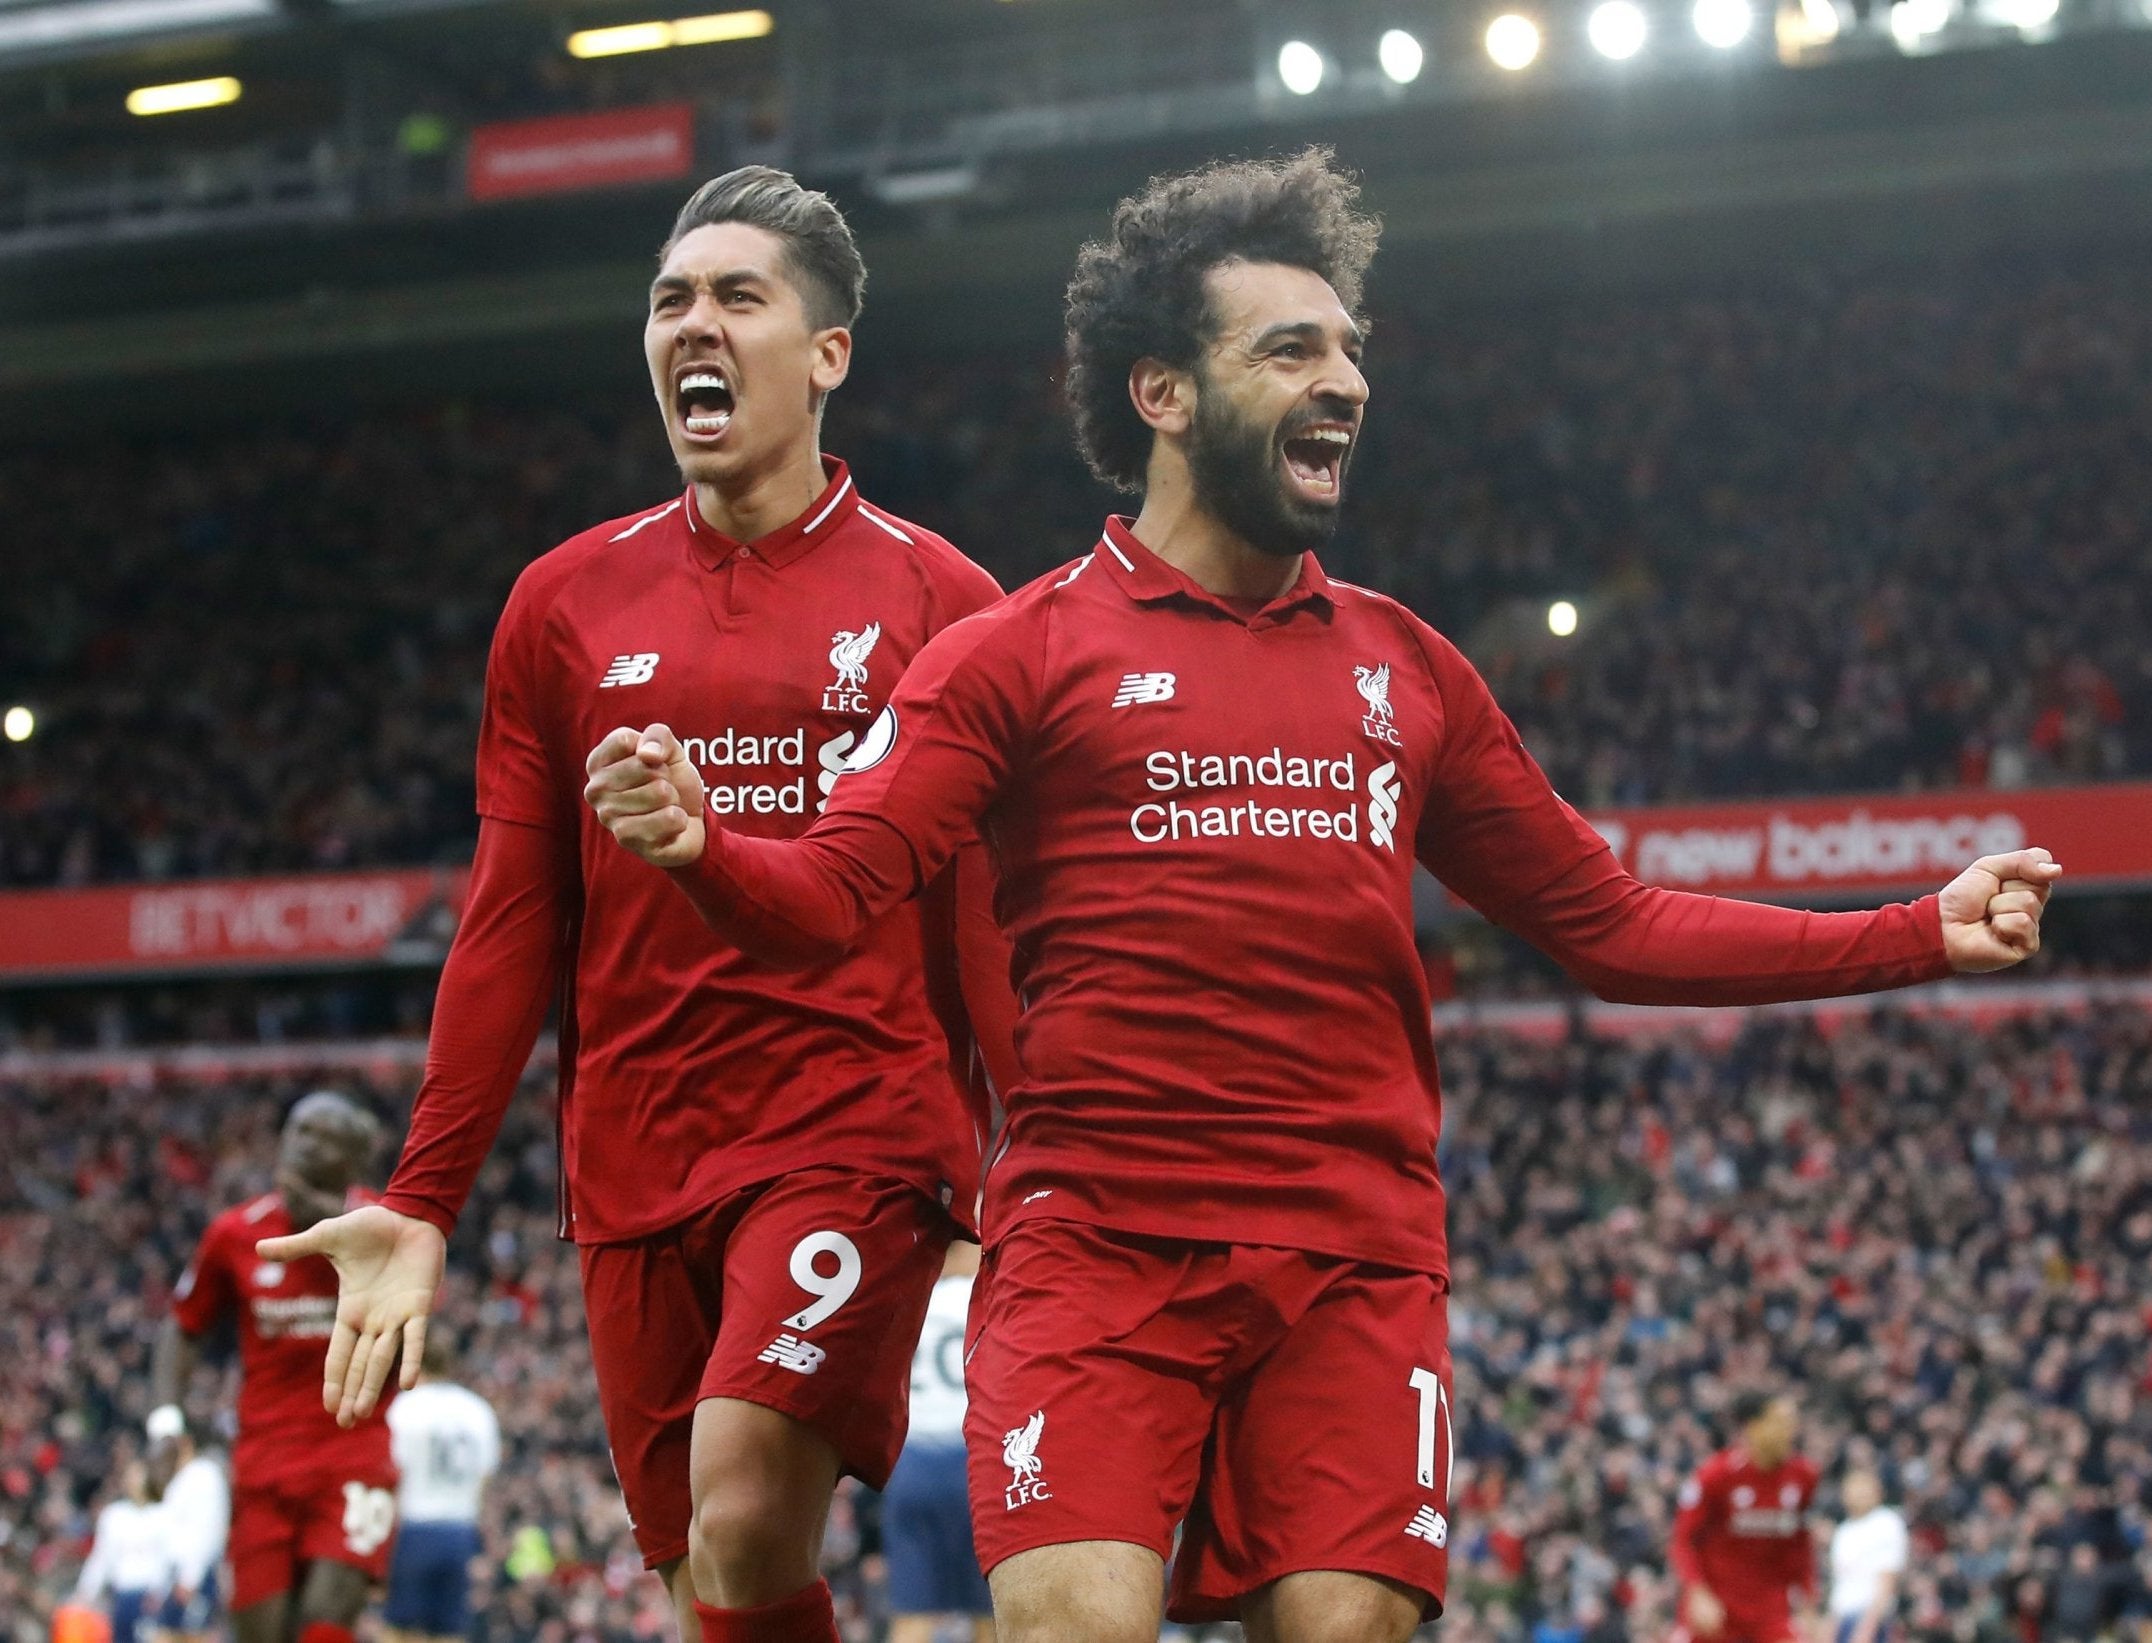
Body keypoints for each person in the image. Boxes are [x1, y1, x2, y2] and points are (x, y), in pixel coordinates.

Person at [581, 149, 2061, 1643]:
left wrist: (1912, 930)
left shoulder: (1404, 667)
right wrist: (705, 847)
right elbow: (832, 893)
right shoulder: (1015, 655)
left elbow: (1608, 922)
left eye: (1349, 347)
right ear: (1161, 393)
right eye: (1290, 348)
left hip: (1353, 1262)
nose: (1342, 378)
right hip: (1097, 1247)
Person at [259, 166, 1017, 1643]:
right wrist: (421, 1195)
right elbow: (511, 917)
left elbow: (983, 922)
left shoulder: (944, 599)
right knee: (703, 1581)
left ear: (827, 353)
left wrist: (1033, 1159)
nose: (695, 324)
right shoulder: (561, 602)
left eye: (739, 297)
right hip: (633, 1151)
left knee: (741, 1500)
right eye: (671, 299)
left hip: (850, 1123)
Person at [151, 1091, 391, 1643]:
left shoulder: (385, 1231)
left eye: (325, 1138)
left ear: (353, 1163)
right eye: (298, 1131)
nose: (305, 1146)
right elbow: (182, 1328)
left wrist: (336, 1226)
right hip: (264, 1462)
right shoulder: (237, 1234)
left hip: (355, 1455)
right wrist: (166, 1421)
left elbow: (418, 1342)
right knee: (261, 1631)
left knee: (325, 1622)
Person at [881, 1242, 993, 1643]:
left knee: (912, 1613)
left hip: (910, 1466)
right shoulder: (983, 1300)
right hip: (973, 1465)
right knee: (990, 1612)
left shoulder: (909, 1300)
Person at [1670, 1393, 1819, 1643]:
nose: (1790, 1430)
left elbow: (1799, 1544)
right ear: (1753, 1427)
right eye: (1780, 1422)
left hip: (1770, 1609)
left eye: (1793, 1422)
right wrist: (1696, 1591)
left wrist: (1808, 1599)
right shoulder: (1715, 1475)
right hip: (1717, 1605)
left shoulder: (1803, 1476)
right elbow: (1683, 1540)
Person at [382, 1337, 501, 1643]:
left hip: (414, 1529)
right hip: (460, 1532)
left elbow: (393, 1474)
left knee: (400, 1629)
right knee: (449, 1631)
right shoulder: (477, 1410)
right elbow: (485, 1477)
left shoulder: (404, 1408)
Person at [148, 1422, 230, 1643]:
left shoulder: (203, 1475)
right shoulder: (179, 1481)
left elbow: (206, 1530)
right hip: (176, 1577)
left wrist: (191, 1577)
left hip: (195, 1576)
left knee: (196, 1636)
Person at [73, 1460, 171, 1643]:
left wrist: (160, 1590)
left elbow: (168, 1558)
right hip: (122, 1596)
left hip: (152, 1598)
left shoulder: (163, 1515)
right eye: (131, 1477)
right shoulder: (114, 1516)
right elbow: (102, 1558)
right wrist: (85, 1591)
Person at [1825, 1468, 1907, 1643]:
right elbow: (1841, 1585)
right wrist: (1830, 1628)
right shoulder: (1844, 1531)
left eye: (1864, 1489)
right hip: (1843, 1618)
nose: (1859, 1494)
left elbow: (1887, 1580)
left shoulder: (1886, 1522)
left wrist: (1867, 1628)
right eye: (1854, 1489)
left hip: (1871, 1619)